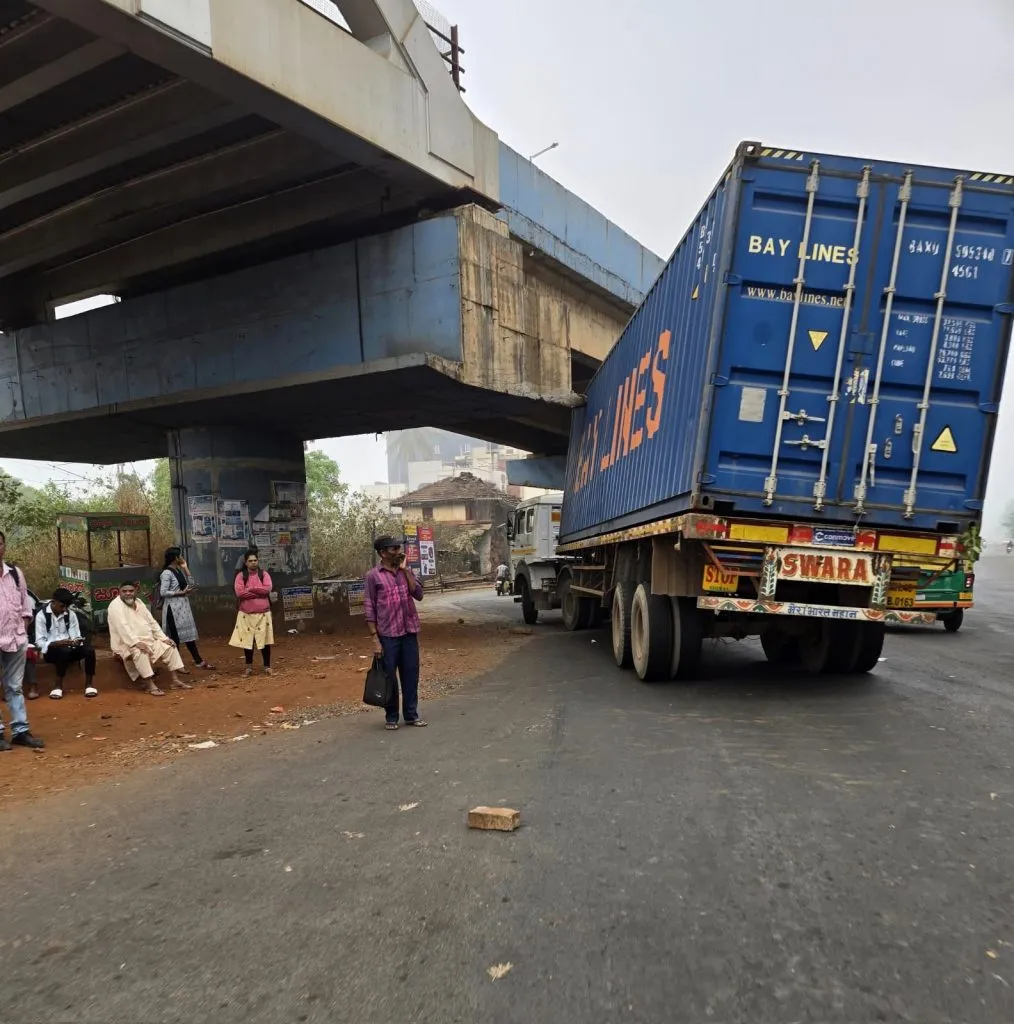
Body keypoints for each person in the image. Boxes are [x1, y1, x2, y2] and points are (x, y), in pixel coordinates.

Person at [364, 535, 426, 731]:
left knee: (411, 674)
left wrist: (406, 571)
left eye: (399, 548)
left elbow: (419, 595)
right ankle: (391, 716)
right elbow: (369, 607)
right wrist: (375, 639)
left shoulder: (405, 572)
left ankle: (411, 715)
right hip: (388, 635)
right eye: (393, 549)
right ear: (383, 553)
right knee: (389, 677)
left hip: (409, 632)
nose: (399, 552)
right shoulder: (373, 576)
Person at [0, 531, 44, 749]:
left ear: (4, 546)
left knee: (15, 686)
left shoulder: (15, 574)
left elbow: (26, 607)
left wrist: (23, 630)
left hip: (16, 639)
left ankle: (20, 730)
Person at [107, 581, 190, 696]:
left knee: (169, 646)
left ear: (136, 591)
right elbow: (122, 627)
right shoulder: (115, 606)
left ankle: (175, 680)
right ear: (119, 592)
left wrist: (163, 638)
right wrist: (136, 643)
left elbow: (152, 622)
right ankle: (150, 685)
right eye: (124, 591)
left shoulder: (139, 602)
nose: (128, 594)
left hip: (148, 640)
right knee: (140, 652)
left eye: (131, 591)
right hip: (126, 643)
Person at [34, 587, 97, 699]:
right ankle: (57, 686)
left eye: (66, 607)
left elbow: (75, 634)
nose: (64, 609)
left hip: (69, 649)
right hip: (51, 652)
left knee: (89, 651)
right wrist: (56, 643)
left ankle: (89, 685)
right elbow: (39, 642)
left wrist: (76, 641)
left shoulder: (70, 614)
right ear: (53, 602)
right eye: (62, 606)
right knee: (63, 650)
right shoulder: (42, 616)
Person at [158, 547, 214, 672]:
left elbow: (192, 585)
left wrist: (185, 568)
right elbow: (163, 592)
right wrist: (180, 593)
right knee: (175, 638)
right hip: (173, 609)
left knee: (188, 636)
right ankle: (177, 665)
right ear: (175, 557)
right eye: (180, 556)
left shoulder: (178, 570)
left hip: (183, 608)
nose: (182, 558)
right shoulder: (167, 573)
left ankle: (198, 661)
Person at [230, 550, 274, 675]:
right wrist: (258, 592)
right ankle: (248, 667)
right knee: (248, 641)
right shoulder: (240, 576)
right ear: (245, 562)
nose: (253, 563)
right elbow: (239, 593)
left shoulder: (264, 574)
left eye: (255, 560)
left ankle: (267, 666)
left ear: (258, 561)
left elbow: (267, 589)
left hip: (263, 613)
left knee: (265, 641)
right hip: (246, 614)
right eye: (250, 561)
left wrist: (251, 589)